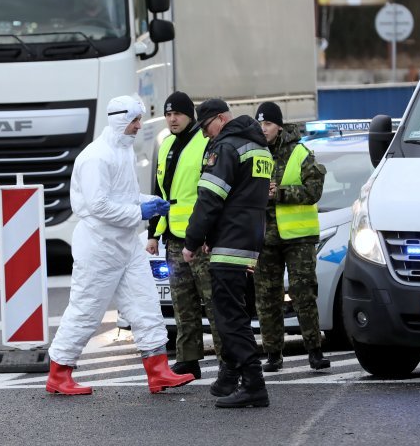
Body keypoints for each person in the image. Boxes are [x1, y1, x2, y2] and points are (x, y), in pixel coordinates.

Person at [47, 95, 196, 396]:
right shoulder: (96, 157)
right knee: (86, 310)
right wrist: (138, 212)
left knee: (145, 305)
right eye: (135, 121)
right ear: (119, 120)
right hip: (100, 246)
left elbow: (122, 196)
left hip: (125, 244)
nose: (139, 126)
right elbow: (98, 205)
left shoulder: (121, 152)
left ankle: (159, 372)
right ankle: (59, 373)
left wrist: (147, 202)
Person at [182, 99, 272, 408]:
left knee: (229, 318)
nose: (207, 136)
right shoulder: (259, 147)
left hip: (230, 246)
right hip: (248, 243)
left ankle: (254, 384)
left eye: (207, 128)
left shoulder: (226, 148)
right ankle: (229, 377)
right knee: (237, 313)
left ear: (221, 118)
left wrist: (192, 241)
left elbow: (210, 199)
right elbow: (244, 199)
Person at [146, 91, 222, 380]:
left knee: (213, 302)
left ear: (190, 114)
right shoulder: (165, 145)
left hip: (202, 237)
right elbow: (160, 193)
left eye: (176, 113)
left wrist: (209, 232)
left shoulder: (205, 142)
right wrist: (154, 234)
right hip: (175, 238)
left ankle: (227, 359)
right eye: (167, 114)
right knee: (183, 302)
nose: (171, 119)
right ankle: (188, 359)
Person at [252, 101, 330, 373]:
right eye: (260, 124)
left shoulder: (299, 152)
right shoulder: (253, 154)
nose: (263, 129)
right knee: (267, 298)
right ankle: (273, 354)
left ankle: (315, 351)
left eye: (268, 124)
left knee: (303, 294)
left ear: (279, 125)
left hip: (298, 238)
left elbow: (314, 191)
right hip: (265, 238)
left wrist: (280, 193)